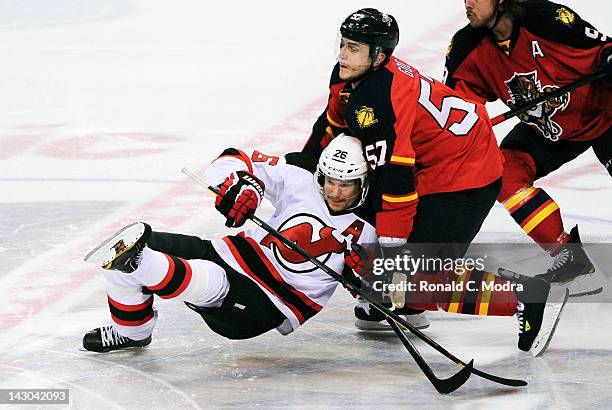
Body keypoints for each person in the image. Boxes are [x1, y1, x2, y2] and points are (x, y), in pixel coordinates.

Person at [301, 8, 506, 330]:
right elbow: (331, 126)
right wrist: (299, 171)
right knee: (358, 231)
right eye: (343, 44)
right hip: (432, 162)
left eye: (353, 48)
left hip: (467, 174)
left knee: (417, 276)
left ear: (380, 55)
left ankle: (527, 298)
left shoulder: (381, 99)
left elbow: (395, 184)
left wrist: (392, 257)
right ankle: (397, 302)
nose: (342, 55)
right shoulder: (350, 75)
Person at [82, 135, 378, 352]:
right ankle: (132, 332)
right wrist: (242, 184)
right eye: (330, 181)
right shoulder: (302, 177)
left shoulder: (371, 230)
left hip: (268, 302)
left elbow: (384, 301)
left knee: (202, 278)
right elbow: (236, 156)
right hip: (227, 253)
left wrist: (367, 279)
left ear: (363, 183)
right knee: (121, 257)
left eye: (346, 184)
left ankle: (142, 264)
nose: (335, 192)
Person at [444, 0, 610, 296]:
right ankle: (570, 257)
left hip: (605, 114)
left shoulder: (548, 20)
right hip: (548, 129)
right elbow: (455, 110)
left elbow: (603, 50)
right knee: (503, 172)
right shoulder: (466, 47)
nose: (466, 3)